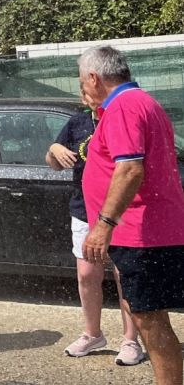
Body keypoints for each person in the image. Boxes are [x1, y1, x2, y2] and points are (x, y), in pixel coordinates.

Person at [79, 46, 184, 385]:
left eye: (82, 81)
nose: (83, 89)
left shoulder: (124, 106)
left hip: (142, 233)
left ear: (94, 78)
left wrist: (103, 225)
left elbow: (129, 169)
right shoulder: (139, 102)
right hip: (151, 230)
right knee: (149, 317)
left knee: (150, 321)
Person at [46, 88, 144, 365]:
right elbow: (53, 164)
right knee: (87, 274)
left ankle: (131, 340)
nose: (89, 95)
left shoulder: (121, 119)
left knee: (124, 276)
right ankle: (92, 334)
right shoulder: (77, 122)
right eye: (85, 91)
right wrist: (54, 150)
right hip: (84, 210)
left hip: (121, 211)